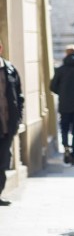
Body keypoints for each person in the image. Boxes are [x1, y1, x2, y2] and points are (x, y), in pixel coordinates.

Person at [50, 45, 74, 166]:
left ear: (66, 54)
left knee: (64, 129)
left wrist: (62, 92)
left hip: (64, 104)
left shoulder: (60, 70)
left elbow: (52, 87)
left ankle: (66, 147)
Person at [0, 40, 24, 206]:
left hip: (7, 125)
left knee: (3, 162)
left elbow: (19, 96)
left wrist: (18, 118)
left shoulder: (10, 69)